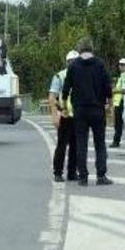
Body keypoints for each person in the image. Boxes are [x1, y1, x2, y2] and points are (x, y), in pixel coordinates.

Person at [62, 37, 113, 186]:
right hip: (97, 110)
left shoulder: (74, 65)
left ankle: (83, 177)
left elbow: (66, 89)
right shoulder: (99, 64)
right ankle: (101, 176)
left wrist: (65, 106)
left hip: (80, 110)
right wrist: (109, 104)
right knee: (100, 143)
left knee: (81, 143)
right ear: (92, 48)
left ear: (79, 49)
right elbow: (107, 86)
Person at [48, 50, 79, 183]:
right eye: (70, 61)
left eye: (75, 61)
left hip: (79, 116)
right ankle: (58, 172)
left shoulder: (83, 75)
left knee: (76, 146)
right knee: (62, 145)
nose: (72, 64)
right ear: (67, 62)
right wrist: (55, 115)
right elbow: (52, 97)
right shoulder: (60, 76)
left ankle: (72, 172)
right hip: (65, 115)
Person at [110, 58, 125, 148]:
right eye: (120, 65)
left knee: (118, 123)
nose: (121, 66)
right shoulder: (123, 75)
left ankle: (116, 141)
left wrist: (114, 91)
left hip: (121, 101)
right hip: (120, 102)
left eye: (123, 65)